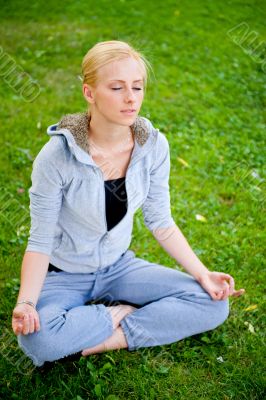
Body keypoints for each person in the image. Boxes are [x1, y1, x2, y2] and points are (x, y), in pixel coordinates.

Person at [11, 40, 245, 367]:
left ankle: (103, 338)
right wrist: (26, 302)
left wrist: (203, 274)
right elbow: (40, 240)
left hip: (119, 267)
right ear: (89, 93)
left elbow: (160, 221)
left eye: (137, 87)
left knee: (212, 303)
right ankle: (119, 311)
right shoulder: (56, 157)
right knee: (38, 339)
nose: (131, 97)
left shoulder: (154, 146)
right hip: (63, 275)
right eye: (117, 87)